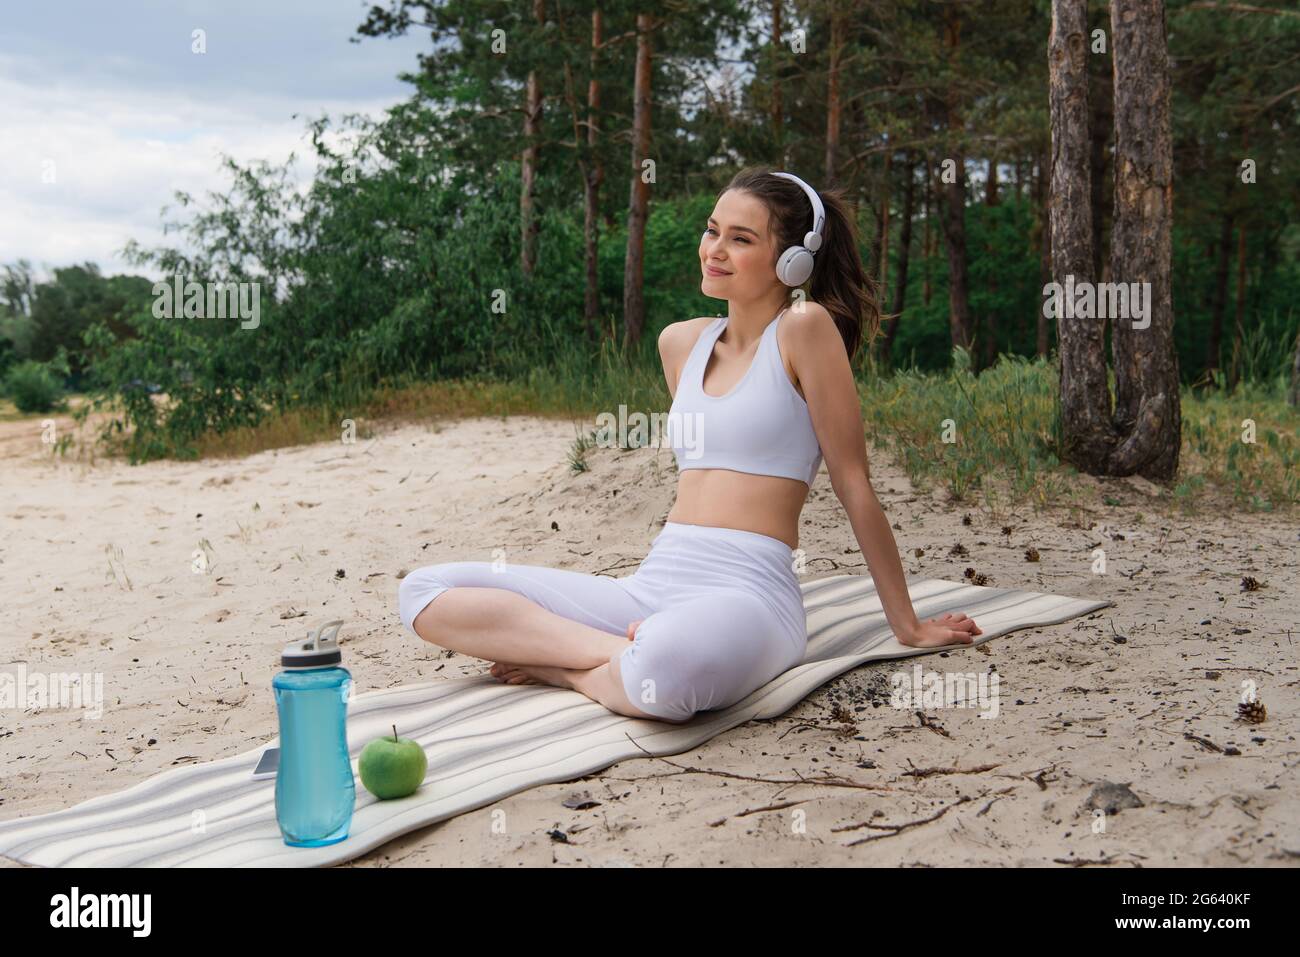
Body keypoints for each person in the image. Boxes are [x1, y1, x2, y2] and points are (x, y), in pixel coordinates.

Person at [397, 166, 981, 724]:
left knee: (664, 678)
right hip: (653, 585)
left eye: (740, 238)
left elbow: (854, 484)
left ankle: (563, 668)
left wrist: (908, 627)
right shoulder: (680, 343)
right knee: (424, 591)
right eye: (711, 230)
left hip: (749, 595)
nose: (714, 249)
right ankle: (609, 655)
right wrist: (631, 635)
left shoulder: (806, 330)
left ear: (792, 260)